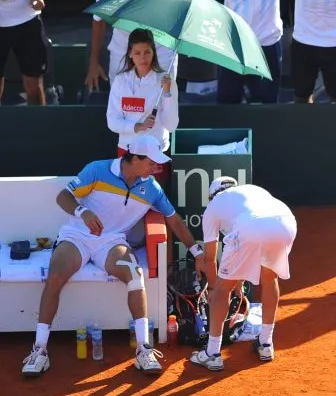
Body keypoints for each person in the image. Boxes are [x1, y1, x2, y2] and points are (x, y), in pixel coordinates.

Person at [21, 134, 207, 377]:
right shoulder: (97, 170)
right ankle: (39, 351)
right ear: (136, 158)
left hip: (112, 242)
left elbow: (174, 220)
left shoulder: (151, 188)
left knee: (135, 275)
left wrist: (196, 251)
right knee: (55, 274)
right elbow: (63, 196)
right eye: (151, 162)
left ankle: (144, 349)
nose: (156, 167)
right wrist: (83, 212)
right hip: (77, 236)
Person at [85, 0, 231, 91]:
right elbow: (98, 22)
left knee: (164, 97)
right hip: (123, 47)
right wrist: (93, 62)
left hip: (161, 46)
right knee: (120, 96)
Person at [189, 177, 297, 371]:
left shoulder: (213, 206)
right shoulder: (251, 191)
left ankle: (211, 353)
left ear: (211, 196)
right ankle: (265, 343)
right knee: (269, 277)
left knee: (223, 290)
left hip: (253, 226)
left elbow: (210, 259)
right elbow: (256, 236)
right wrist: (236, 279)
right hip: (286, 222)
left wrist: (214, 289)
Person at [106, 29, 178, 185]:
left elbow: (171, 125)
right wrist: (137, 126)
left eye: (147, 52)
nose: (143, 58)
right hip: (126, 151)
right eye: (137, 53)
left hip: (155, 154)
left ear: (154, 53)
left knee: (154, 203)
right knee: (125, 201)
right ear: (130, 53)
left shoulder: (165, 81)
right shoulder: (120, 81)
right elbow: (112, 121)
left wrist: (167, 94)